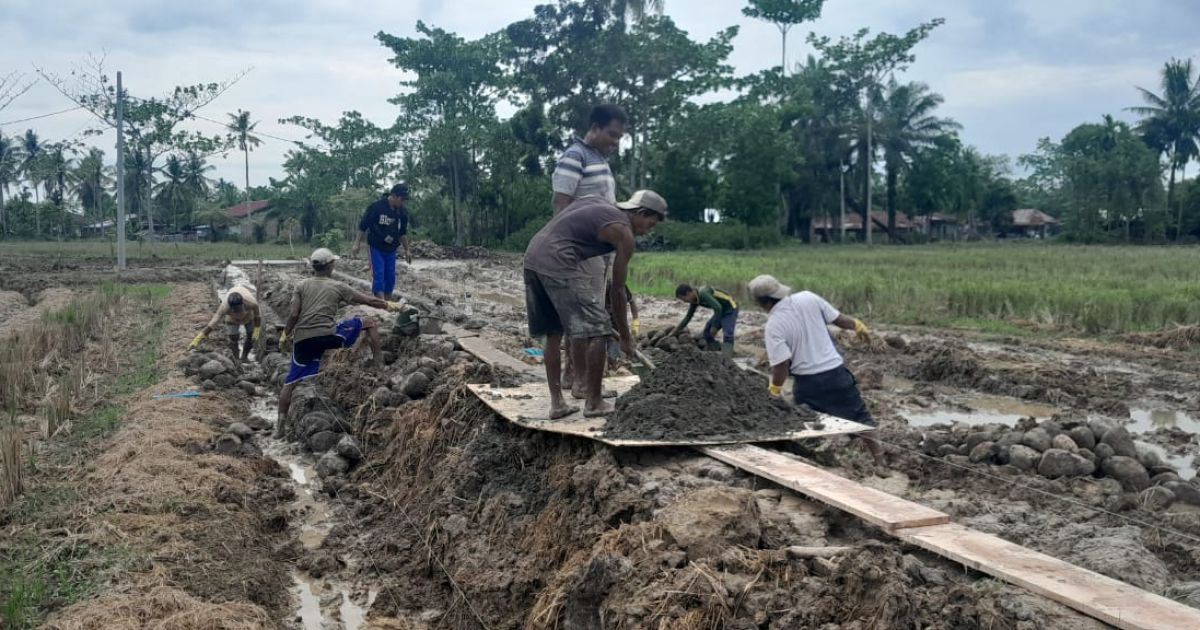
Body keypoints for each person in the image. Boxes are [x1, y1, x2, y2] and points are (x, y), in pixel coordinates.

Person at [524, 190, 667, 419]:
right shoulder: (624, 232)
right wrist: (625, 337)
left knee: (553, 332)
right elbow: (618, 291)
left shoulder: (598, 202)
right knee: (598, 329)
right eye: (650, 224)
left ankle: (558, 404)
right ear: (640, 213)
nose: (647, 231)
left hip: (532, 256)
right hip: (559, 262)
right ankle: (594, 402)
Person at [748, 274, 883, 462]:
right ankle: (879, 461)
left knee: (803, 422)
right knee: (861, 418)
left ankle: (813, 457)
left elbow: (782, 365)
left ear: (762, 302)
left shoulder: (774, 325)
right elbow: (839, 320)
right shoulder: (808, 297)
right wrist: (858, 325)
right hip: (837, 375)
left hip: (809, 384)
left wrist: (774, 389)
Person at [276, 248, 406, 435]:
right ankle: (379, 364)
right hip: (328, 335)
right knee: (369, 322)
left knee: (290, 382)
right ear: (330, 265)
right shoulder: (338, 286)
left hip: (303, 339)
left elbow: (294, 314)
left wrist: (285, 334)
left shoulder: (301, 286)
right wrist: (392, 305)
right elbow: (370, 301)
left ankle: (279, 427)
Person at [550, 104, 626, 389]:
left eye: (619, 137)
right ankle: (582, 380)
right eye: (611, 134)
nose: (615, 142)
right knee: (585, 315)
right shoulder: (575, 156)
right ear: (594, 128)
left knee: (584, 314)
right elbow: (560, 205)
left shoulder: (599, 160)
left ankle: (573, 375)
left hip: (599, 250)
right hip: (582, 249)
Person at [352, 183, 412, 300]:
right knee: (379, 274)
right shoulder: (376, 207)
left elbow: (402, 232)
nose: (403, 202)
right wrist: (356, 243)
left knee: (390, 277)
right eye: (402, 199)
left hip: (391, 248)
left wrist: (407, 250)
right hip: (376, 246)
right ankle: (380, 301)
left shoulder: (402, 212)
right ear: (394, 196)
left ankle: (387, 301)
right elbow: (363, 226)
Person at [190, 285, 262, 363]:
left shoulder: (251, 303)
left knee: (251, 335)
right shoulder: (224, 307)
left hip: (248, 316)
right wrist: (198, 338)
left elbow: (257, 316)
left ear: (243, 305)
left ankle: (244, 357)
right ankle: (236, 359)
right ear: (231, 309)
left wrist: (256, 331)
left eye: (239, 310)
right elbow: (212, 324)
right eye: (235, 311)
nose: (239, 317)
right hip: (231, 318)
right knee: (233, 337)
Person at [674, 284, 739, 357]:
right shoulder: (694, 300)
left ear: (688, 293)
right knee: (707, 332)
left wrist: (715, 326)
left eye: (683, 299)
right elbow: (688, 317)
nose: (685, 302)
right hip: (721, 310)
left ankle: (727, 357)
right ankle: (716, 351)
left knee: (728, 333)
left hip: (730, 308)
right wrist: (676, 331)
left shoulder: (703, 293)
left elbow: (718, 308)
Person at [605, 282, 639, 371]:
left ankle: (617, 364)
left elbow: (632, 302)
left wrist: (635, 323)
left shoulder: (618, 285)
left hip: (617, 326)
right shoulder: (597, 287)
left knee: (615, 355)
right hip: (601, 326)